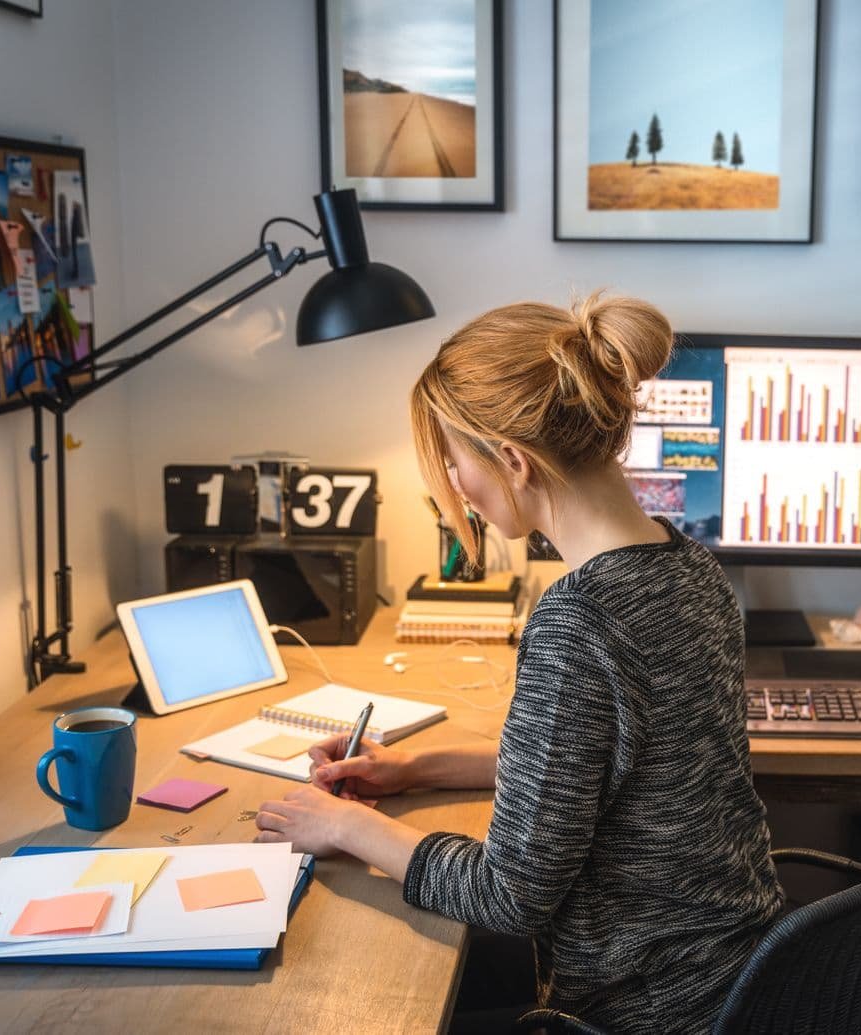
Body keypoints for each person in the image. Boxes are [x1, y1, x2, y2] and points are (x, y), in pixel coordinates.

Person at [255, 292, 784, 1033]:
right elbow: (599, 773)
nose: (457, 486)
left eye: (455, 459)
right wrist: (415, 771)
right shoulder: (688, 565)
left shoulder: (578, 619)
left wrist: (342, 825)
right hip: (749, 971)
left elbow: (510, 896)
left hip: (651, 1006)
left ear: (511, 458)